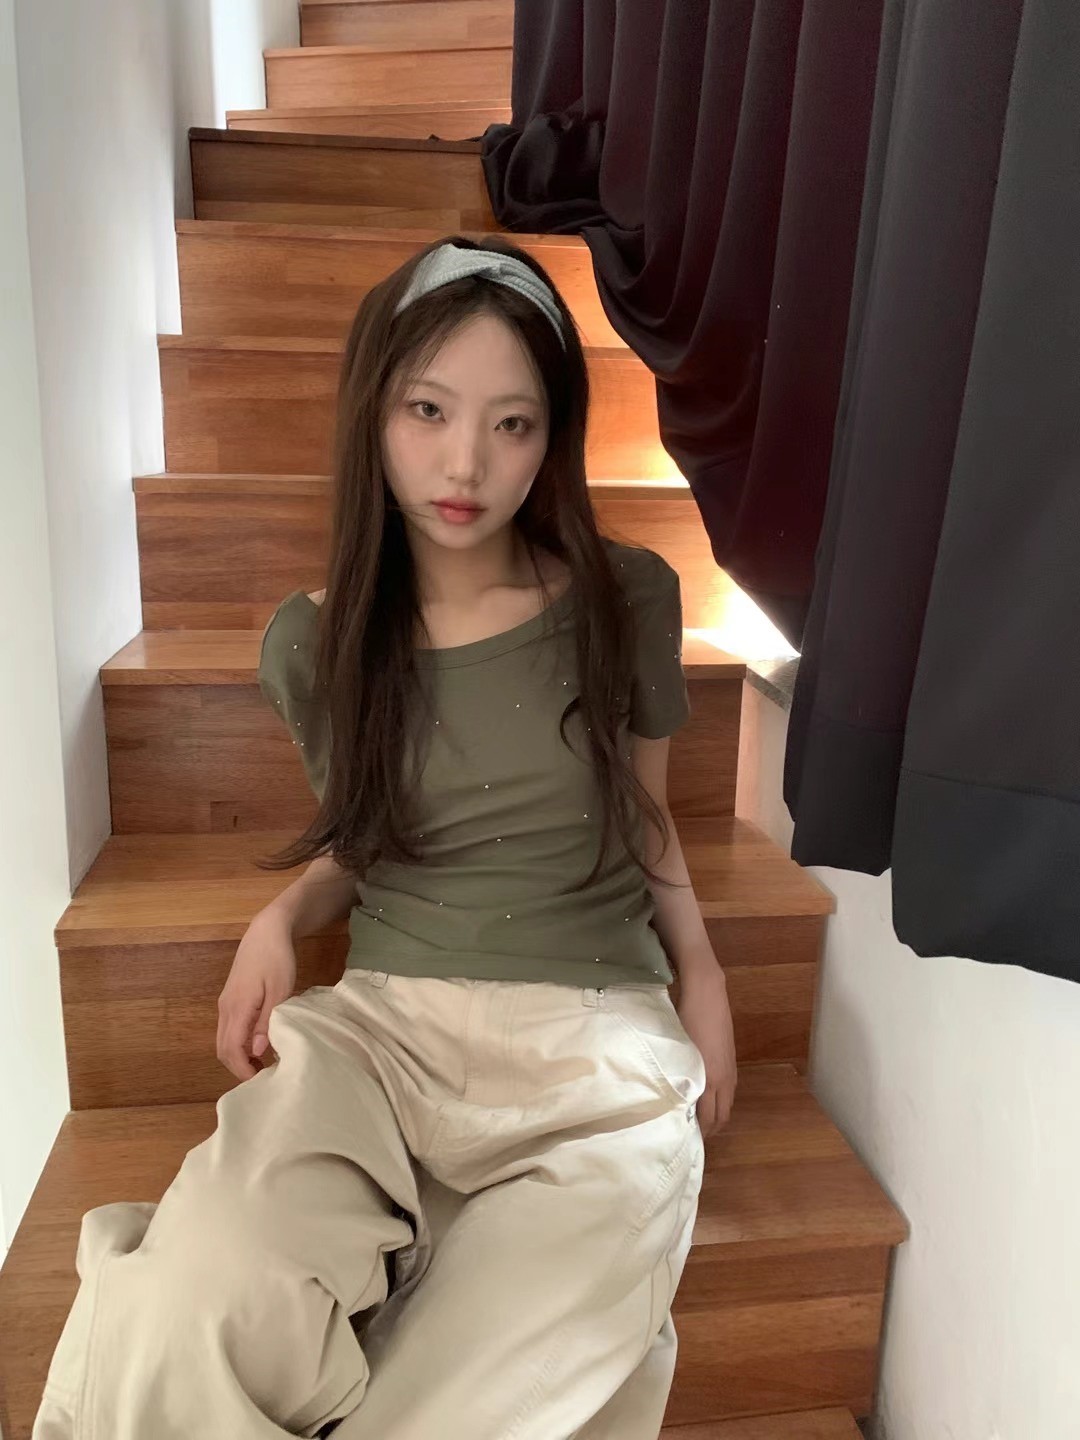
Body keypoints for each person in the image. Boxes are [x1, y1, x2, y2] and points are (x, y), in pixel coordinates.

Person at [33, 237, 737, 1440]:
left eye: (513, 425)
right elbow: (365, 839)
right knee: (200, 1296)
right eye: (428, 410)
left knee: (493, 1389)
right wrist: (281, 915)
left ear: (552, 438)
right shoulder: (315, 643)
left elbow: (645, 815)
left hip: (594, 1047)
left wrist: (706, 977)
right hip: (387, 1032)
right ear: (374, 409)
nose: (466, 463)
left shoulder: (628, 597)